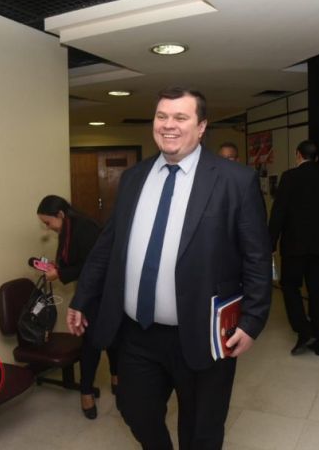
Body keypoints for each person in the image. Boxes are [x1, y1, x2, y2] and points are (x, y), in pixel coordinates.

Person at [67, 86, 272, 449]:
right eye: (161, 116)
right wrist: (82, 297)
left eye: (180, 117)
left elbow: (257, 257)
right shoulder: (134, 178)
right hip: (137, 333)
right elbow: (108, 245)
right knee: (135, 410)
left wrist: (253, 319)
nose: (168, 125)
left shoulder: (235, 181)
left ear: (202, 126)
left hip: (204, 331)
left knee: (201, 430)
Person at [36, 195, 118, 420]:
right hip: (88, 292)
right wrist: (57, 268)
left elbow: (94, 264)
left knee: (108, 338)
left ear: (60, 215)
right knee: (92, 341)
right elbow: (74, 261)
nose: (48, 228)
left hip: (104, 291)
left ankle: (112, 377)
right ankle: (87, 391)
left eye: (48, 222)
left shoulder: (85, 228)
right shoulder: (68, 229)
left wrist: (60, 274)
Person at [268, 140, 319, 356]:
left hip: (295, 247)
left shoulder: (289, 177)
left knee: (290, 287)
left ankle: (303, 329)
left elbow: (279, 213)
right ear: (316, 158)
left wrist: (270, 243)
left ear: (298, 155)